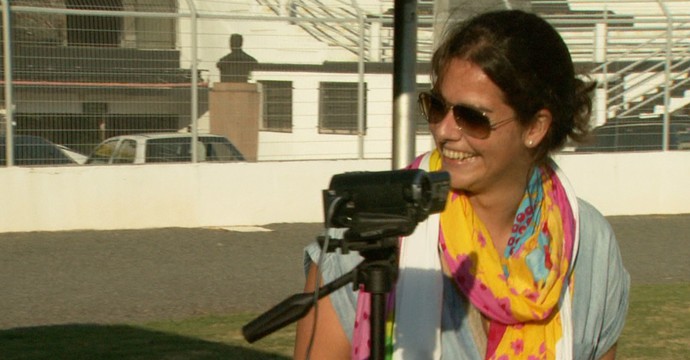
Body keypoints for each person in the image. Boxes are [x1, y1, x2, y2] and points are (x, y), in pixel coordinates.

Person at [294, 9, 630, 360]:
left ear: (535, 128)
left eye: (472, 117)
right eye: (437, 106)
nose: (443, 131)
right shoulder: (369, 227)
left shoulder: (590, 244)